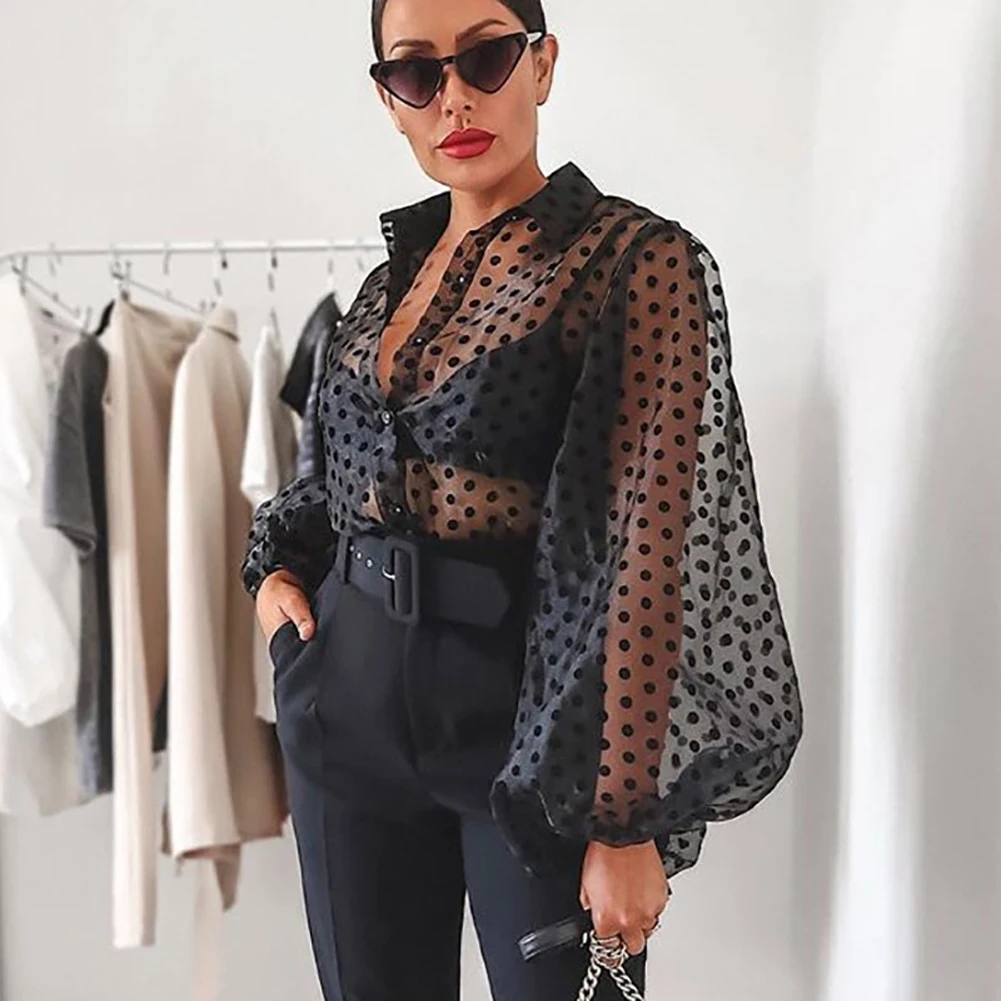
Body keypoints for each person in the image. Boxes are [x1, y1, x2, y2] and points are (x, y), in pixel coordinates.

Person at [240, 0, 804, 997]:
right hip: (347, 702)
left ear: (541, 66)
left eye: (487, 56)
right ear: (389, 101)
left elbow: (650, 552)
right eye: (416, 72)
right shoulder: (379, 291)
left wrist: (623, 820)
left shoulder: (635, 262)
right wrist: (275, 569)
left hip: (535, 729)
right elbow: (335, 478)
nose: (453, 96)